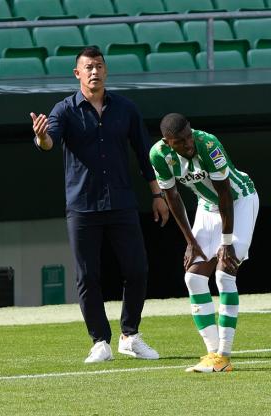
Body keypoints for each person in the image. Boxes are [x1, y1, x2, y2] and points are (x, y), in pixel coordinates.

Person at [30, 47, 169, 363]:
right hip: (82, 206)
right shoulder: (64, 110)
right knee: (87, 276)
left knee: (137, 269)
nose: (94, 72)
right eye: (88, 67)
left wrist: (158, 195)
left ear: (106, 71)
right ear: (77, 73)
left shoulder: (126, 108)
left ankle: (130, 336)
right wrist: (41, 139)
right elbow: (48, 141)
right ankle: (99, 342)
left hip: (121, 201)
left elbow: (145, 154)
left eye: (99, 66)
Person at [150, 113, 258, 373]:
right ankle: (211, 353)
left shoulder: (208, 144)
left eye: (189, 136)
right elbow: (173, 198)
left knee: (224, 273)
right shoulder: (158, 155)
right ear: (168, 142)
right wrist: (190, 241)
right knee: (194, 279)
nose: (189, 144)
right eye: (181, 141)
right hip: (206, 207)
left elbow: (225, 194)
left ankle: (224, 354)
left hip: (239, 201)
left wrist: (227, 242)